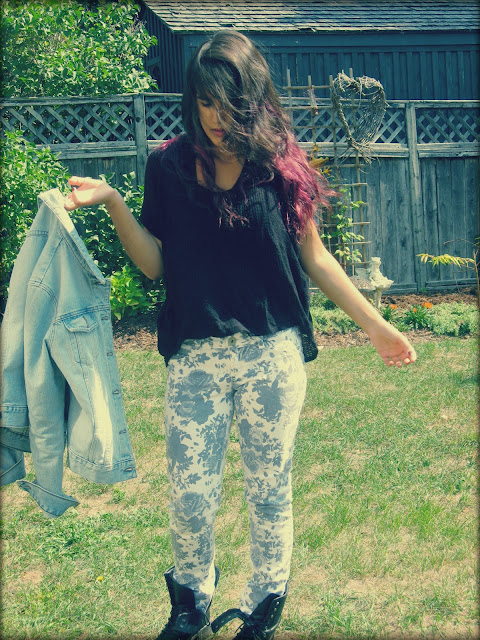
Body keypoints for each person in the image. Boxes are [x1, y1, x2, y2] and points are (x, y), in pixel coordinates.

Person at [64, 30, 416, 640]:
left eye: (228, 103)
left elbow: (316, 258)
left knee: (269, 487)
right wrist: (116, 203)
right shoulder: (169, 166)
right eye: (204, 101)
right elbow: (156, 264)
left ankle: (264, 601)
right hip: (195, 355)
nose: (215, 116)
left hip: (271, 353)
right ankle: (191, 599)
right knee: (189, 491)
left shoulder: (278, 167)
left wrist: (377, 327)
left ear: (252, 100)